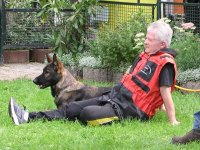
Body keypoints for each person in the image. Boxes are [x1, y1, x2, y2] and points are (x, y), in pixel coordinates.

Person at [8, 20, 180, 126]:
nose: (145, 41)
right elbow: (148, 89)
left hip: (129, 110)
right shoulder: (145, 57)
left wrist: (172, 120)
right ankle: (26, 116)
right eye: (146, 38)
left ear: (162, 44)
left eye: (149, 39)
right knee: (72, 107)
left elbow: (165, 92)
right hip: (115, 97)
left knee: (86, 114)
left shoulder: (165, 65)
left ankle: (73, 116)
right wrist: (158, 104)